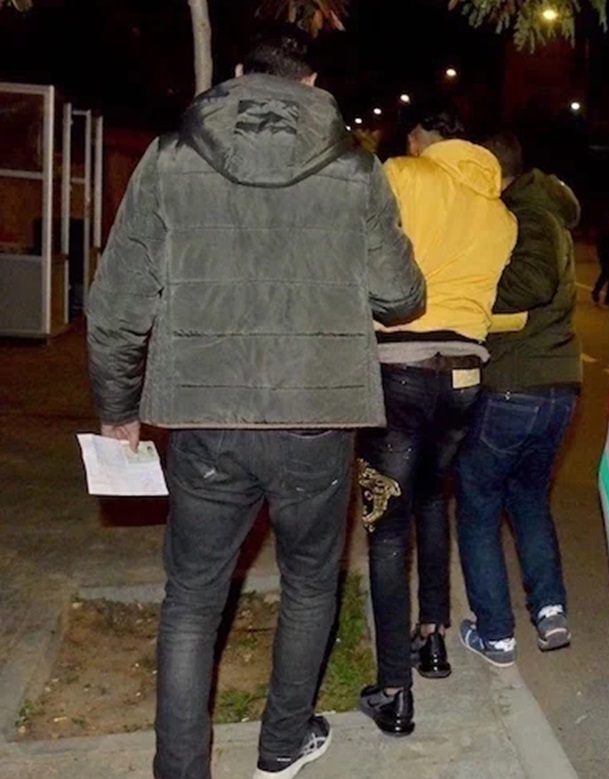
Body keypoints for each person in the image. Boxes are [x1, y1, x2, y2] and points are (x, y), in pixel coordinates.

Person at [86, 26, 423, 779]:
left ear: (237, 73)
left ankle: (180, 770)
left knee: (191, 597)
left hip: (204, 419)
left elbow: (116, 304)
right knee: (310, 582)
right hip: (317, 418)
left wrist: (117, 410)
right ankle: (280, 747)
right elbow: (401, 296)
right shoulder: (356, 169)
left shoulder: (169, 158)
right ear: (312, 84)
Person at [356, 108, 517, 737]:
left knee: (385, 526)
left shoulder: (403, 174)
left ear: (421, 138)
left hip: (400, 370)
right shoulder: (500, 213)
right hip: (465, 379)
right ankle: (433, 637)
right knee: (430, 498)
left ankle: (394, 689)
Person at [454, 132, 582, 667]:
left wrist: (466, 293)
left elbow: (531, 282)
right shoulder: (542, 209)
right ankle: (550, 611)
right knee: (527, 499)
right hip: (555, 388)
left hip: (514, 384)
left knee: (477, 505)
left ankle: (496, 635)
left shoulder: (526, 214)